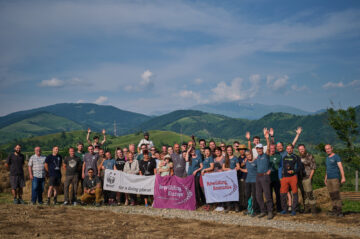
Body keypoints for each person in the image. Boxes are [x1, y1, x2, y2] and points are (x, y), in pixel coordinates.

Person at [248, 129, 273, 220]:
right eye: (257, 148)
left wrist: (267, 138)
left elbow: (269, 147)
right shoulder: (257, 156)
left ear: (262, 148)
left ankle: (270, 211)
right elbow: (250, 154)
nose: (259, 149)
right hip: (258, 177)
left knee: (267, 195)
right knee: (258, 195)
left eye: (260, 148)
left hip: (265, 176)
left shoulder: (266, 155)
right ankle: (263, 211)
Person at [278, 144, 301, 216]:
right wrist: (280, 177)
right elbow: (280, 167)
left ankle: (294, 209)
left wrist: (293, 171)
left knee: (295, 193)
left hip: (293, 177)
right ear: (286, 150)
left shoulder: (296, 157)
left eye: (290, 149)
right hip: (284, 177)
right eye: (288, 149)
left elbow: (299, 167)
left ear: (293, 149)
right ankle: (284, 209)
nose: (289, 150)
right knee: (283, 193)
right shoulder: (283, 157)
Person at [324, 144, 346, 217]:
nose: (327, 150)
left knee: (336, 195)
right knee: (332, 195)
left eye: (329, 148)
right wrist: (325, 178)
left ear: (332, 148)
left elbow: (341, 167)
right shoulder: (327, 158)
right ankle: (334, 210)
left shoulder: (336, 157)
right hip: (329, 179)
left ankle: (339, 212)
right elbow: (327, 169)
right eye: (326, 149)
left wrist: (343, 177)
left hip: (335, 178)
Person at [239, 150, 260, 217]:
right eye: (247, 155)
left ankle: (255, 210)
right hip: (248, 181)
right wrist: (240, 168)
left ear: (252, 155)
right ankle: (249, 209)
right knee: (247, 195)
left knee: (254, 196)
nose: (249, 156)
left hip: (254, 181)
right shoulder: (247, 162)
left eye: (250, 155)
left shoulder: (256, 161)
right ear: (246, 156)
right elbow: (247, 170)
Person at [298, 144, 317, 214]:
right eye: (300, 149)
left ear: (305, 148)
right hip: (300, 178)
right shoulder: (298, 157)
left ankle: (313, 210)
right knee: (304, 194)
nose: (301, 150)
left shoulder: (310, 156)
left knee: (309, 193)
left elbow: (313, 167)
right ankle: (306, 209)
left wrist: (310, 178)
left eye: (302, 149)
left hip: (307, 177)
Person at [223, 145, 240, 212]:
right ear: (226, 151)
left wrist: (234, 169)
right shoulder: (225, 158)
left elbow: (238, 167)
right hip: (227, 178)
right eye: (228, 150)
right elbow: (223, 168)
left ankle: (236, 206)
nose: (229, 151)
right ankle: (229, 206)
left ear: (232, 150)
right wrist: (229, 169)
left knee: (235, 191)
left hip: (234, 177)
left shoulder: (235, 158)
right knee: (228, 191)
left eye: (230, 150)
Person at [268, 144, 282, 212]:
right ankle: (271, 208)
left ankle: (279, 208)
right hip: (269, 179)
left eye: (273, 148)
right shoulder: (267, 156)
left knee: (277, 194)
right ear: (269, 148)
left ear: (275, 149)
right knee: (269, 194)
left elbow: (278, 164)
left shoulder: (278, 156)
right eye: (271, 148)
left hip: (276, 178)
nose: (272, 149)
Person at [213, 146, 225, 212]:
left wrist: (222, 170)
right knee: (217, 191)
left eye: (218, 151)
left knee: (222, 191)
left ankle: (223, 205)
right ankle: (218, 205)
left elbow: (225, 167)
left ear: (221, 151)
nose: (217, 152)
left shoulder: (224, 158)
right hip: (215, 177)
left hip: (222, 177)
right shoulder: (214, 159)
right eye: (216, 151)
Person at [237, 144, 248, 210]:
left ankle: (247, 206)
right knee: (241, 192)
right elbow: (238, 166)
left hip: (247, 177)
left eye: (243, 150)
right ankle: (241, 205)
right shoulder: (238, 159)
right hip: (240, 176)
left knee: (247, 192)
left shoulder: (248, 157)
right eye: (240, 150)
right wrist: (243, 163)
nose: (242, 151)